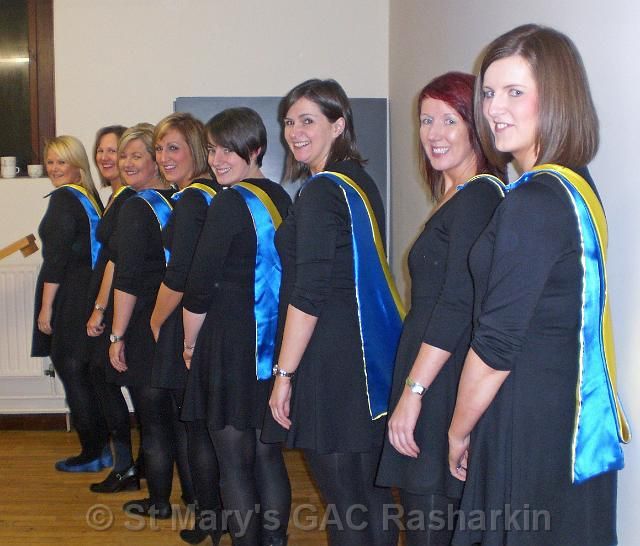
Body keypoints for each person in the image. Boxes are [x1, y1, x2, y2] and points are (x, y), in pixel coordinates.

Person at [447, 24, 630, 546]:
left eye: (515, 92)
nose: (494, 109)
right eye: (488, 93)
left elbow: (496, 346)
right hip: (569, 416)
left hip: (527, 423)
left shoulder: (534, 201)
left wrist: (458, 431)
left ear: (557, 99)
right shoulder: (575, 184)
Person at [266, 79, 402, 546]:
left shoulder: (323, 191)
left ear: (338, 125)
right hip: (365, 354)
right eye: (289, 122)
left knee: (346, 503)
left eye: (308, 120)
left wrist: (284, 374)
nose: (295, 132)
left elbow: (310, 292)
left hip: (330, 360)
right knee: (371, 497)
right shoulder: (358, 182)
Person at [375, 72, 504, 546]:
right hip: (434, 374)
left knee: (430, 518)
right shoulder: (456, 195)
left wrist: (414, 392)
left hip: (440, 380)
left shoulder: (480, 195)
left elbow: (456, 305)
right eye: (426, 120)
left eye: (450, 120)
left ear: (476, 127)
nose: (434, 133)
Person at [182, 107, 292, 546]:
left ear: (256, 149)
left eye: (229, 150)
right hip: (273, 343)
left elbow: (199, 285)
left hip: (228, 344)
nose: (217, 160)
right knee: (268, 456)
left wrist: (189, 343)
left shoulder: (228, 202)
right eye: (212, 150)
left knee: (233, 462)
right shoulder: (281, 197)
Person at [149, 112, 222, 544]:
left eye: (173, 147)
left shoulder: (194, 199)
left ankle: (210, 518)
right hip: (209, 319)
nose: (163, 157)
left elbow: (180, 275)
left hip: (186, 322)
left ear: (195, 150)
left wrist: (156, 321)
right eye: (160, 148)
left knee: (196, 427)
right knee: (208, 426)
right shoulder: (215, 193)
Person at [107, 123, 182, 519]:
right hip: (177, 321)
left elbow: (128, 278)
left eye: (137, 155)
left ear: (155, 161)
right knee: (179, 421)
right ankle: (195, 499)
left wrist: (116, 335)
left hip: (144, 325)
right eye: (124, 156)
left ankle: (158, 502)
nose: (126, 163)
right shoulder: (180, 199)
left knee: (153, 422)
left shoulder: (137, 207)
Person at [32, 135, 110, 472]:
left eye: (61, 161)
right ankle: (101, 448)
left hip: (70, 297)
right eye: (50, 162)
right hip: (89, 294)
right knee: (86, 376)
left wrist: (46, 308)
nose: (54, 168)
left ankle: (92, 452)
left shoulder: (64, 199)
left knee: (72, 373)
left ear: (78, 166)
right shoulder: (88, 198)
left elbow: (56, 261)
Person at [85, 125, 142, 493]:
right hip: (111, 304)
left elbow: (117, 262)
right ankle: (138, 464)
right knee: (112, 384)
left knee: (106, 382)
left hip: (117, 307)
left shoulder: (128, 199)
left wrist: (100, 308)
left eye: (116, 152)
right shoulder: (116, 197)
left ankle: (125, 467)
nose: (108, 158)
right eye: (103, 151)